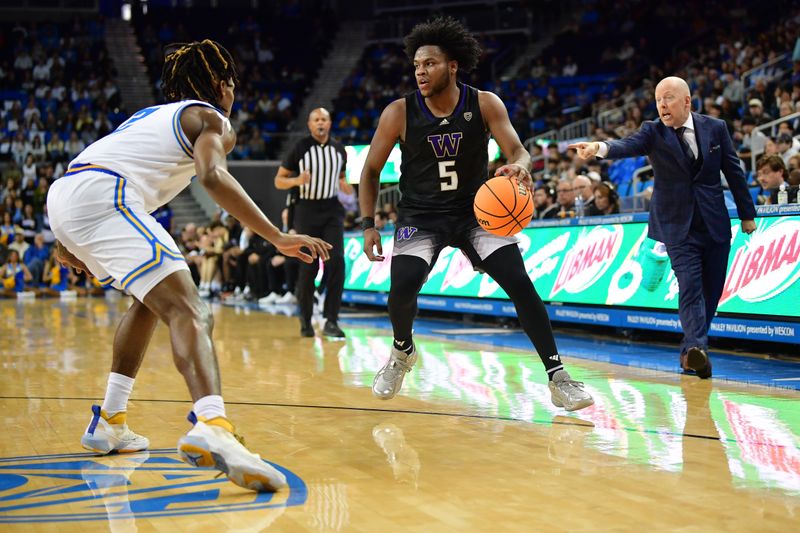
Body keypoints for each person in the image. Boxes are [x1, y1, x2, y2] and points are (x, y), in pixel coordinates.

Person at [46, 39, 331, 492]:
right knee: (192, 309)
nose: (233, 96)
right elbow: (212, 175)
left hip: (68, 194)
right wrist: (276, 235)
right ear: (221, 85)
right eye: (232, 86)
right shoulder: (211, 117)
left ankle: (111, 421)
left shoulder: (149, 117)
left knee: (150, 302)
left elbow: (93, 171)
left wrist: (65, 239)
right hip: (104, 195)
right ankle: (212, 424)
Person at [359, 17, 593, 411]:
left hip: (476, 213)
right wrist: (368, 225)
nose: (420, 71)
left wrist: (519, 165)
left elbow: (519, 150)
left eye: (430, 63)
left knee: (520, 283)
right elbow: (369, 171)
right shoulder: (398, 113)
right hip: (421, 215)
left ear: (452, 66)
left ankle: (558, 376)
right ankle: (402, 352)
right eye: (416, 65)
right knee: (402, 288)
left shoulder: (484, 102)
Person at [570, 76, 757, 379]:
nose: (662, 105)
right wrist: (598, 147)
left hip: (714, 222)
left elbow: (733, 171)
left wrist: (747, 214)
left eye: (668, 98)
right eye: (658, 100)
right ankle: (698, 347)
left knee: (712, 291)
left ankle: (689, 353)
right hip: (676, 226)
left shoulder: (715, 127)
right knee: (690, 286)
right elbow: (626, 145)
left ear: (686, 101)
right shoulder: (652, 131)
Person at [274, 107, 353, 338]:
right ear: (310, 125)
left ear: (330, 123)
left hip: (331, 210)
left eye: (324, 119)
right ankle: (306, 320)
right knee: (308, 267)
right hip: (306, 211)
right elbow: (278, 180)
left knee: (337, 262)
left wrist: (345, 186)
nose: (320, 123)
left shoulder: (340, 150)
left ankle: (331, 319)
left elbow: (340, 178)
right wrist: (298, 180)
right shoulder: (299, 148)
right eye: (316, 119)